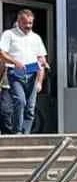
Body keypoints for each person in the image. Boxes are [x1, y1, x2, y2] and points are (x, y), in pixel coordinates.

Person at [0, 7, 49, 135]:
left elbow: (41, 58)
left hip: (32, 74)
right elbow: (2, 54)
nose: (28, 26)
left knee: (30, 108)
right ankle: (17, 132)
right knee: (20, 101)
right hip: (15, 73)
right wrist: (15, 62)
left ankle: (25, 134)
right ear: (18, 21)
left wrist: (40, 81)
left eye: (30, 23)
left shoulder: (36, 38)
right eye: (25, 23)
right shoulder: (9, 34)